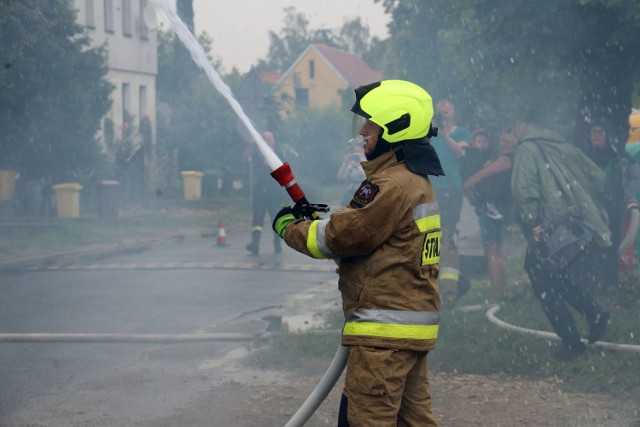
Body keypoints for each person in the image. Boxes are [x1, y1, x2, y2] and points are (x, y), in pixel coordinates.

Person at [272, 80, 443, 426]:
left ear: (395, 130)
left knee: (366, 421)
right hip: (407, 332)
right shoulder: (413, 180)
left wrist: (289, 227)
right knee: (414, 422)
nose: (363, 131)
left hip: (384, 336)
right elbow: (367, 230)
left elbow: (340, 237)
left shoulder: (391, 184)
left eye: (371, 124)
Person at [511, 122, 611, 359]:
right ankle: (593, 312)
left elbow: (524, 190)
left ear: (525, 126)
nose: (512, 133)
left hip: (547, 227)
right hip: (575, 226)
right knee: (554, 276)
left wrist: (529, 221)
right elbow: (598, 177)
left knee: (542, 281)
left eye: (514, 127)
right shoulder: (566, 147)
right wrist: (577, 199)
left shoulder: (527, 148)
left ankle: (572, 343)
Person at [581, 122, 640, 289]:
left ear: (607, 134)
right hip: (591, 207)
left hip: (614, 207)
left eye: (600, 132)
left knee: (612, 244)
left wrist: (624, 195)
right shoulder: (585, 156)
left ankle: (611, 283)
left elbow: (636, 177)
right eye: (594, 132)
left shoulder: (619, 156)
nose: (597, 136)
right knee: (591, 244)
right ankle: (593, 281)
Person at [462, 128, 517, 297]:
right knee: (497, 251)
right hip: (499, 208)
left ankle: (496, 293)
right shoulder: (501, 158)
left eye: (509, 141)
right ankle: (502, 289)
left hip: (493, 209)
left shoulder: (505, 159)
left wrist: (467, 184)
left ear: (516, 143)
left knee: (491, 253)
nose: (505, 144)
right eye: (503, 141)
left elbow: (483, 174)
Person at [429, 99, 472, 304]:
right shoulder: (428, 132)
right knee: (430, 234)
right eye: (440, 111)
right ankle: (430, 286)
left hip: (452, 189)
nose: (442, 114)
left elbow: (460, 153)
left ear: (453, 114)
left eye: (446, 112)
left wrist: (445, 131)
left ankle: (449, 290)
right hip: (430, 187)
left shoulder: (461, 131)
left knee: (449, 235)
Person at [244, 131, 287, 255]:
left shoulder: (279, 154)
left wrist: (272, 164)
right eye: (264, 139)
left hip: (274, 193)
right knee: (257, 218)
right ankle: (255, 244)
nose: (267, 141)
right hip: (260, 192)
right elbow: (246, 158)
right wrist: (250, 145)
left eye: (269, 138)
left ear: (274, 141)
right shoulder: (257, 153)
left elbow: (284, 171)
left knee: (276, 218)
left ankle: (277, 243)